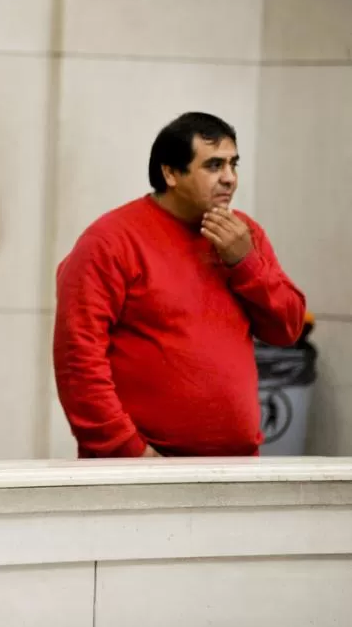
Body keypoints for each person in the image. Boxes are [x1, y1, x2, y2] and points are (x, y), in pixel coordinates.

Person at [53, 112, 306, 459]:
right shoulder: (110, 241)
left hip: (238, 468)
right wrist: (127, 451)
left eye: (234, 164)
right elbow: (78, 360)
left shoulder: (242, 236)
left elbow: (288, 328)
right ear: (170, 173)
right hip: (142, 470)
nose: (230, 179)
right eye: (214, 166)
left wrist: (245, 263)